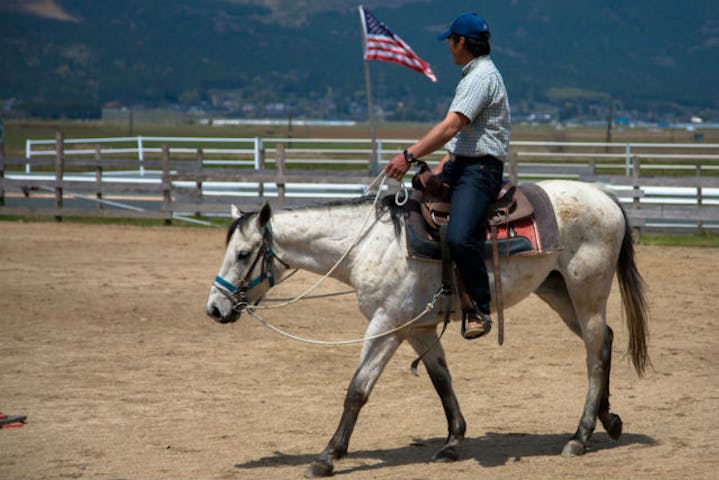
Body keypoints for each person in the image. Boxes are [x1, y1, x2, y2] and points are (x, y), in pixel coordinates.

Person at [384, 12, 510, 340]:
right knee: (414, 207)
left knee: (459, 236)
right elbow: (460, 136)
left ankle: (479, 306)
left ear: (462, 42)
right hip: (463, 164)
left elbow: (450, 126)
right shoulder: (474, 75)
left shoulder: (480, 77)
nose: (449, 47)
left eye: (451, 41)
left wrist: (410, 155)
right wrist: (443, 164)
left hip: (480, 171)